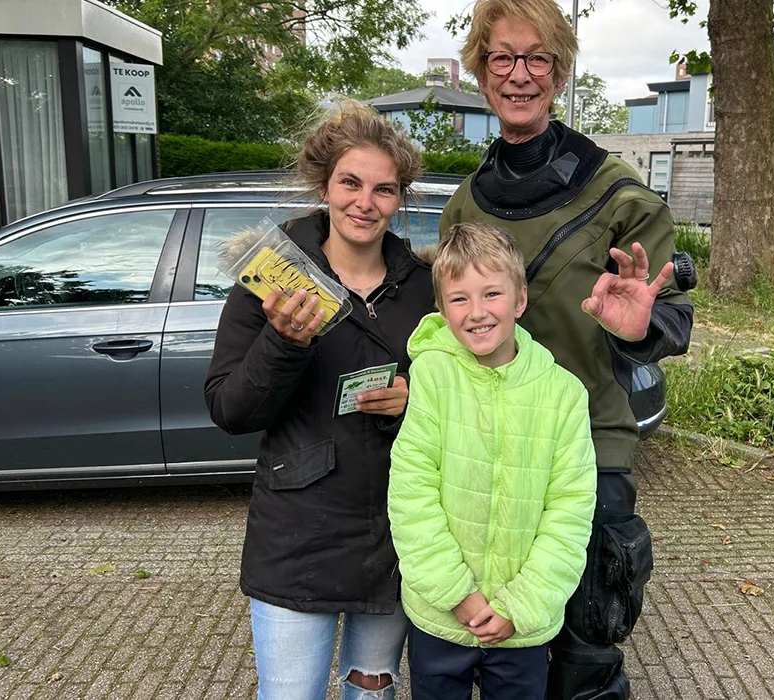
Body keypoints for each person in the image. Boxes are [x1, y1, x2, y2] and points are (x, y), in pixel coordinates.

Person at [442, 1, 695, 697]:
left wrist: (637, 326)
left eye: (537, 58)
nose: (519, 74)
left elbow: (672, 320)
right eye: (502, 57)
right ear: (481, 72)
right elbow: (447, 328)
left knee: (585, 654)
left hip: (588, 442)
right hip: (490, 453)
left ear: (559, 73)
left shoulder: (618, 194)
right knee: (499, 656)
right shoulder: (465, 205)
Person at [204, 101, 434, 700]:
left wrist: (418, 399)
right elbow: (231, 410)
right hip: (298, 536)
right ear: (324, 184)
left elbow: (466, 396)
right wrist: (284, 341)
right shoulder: (272, 277)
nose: (365, 202)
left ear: (400, 198)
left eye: (384, 189)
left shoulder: (424, 289)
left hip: (397, 532)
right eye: (350, 183)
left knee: (372, 693)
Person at [388, 222, 597, 700]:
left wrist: (520, 605)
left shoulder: (564, 394)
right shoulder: (431, 376)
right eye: (459, 299)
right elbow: (411, 494)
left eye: (492, 294)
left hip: (522, 625)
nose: (477, 312)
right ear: (442, 309)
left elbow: (570, 510)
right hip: (441, 616)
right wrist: (456, 594)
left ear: (520, 300)